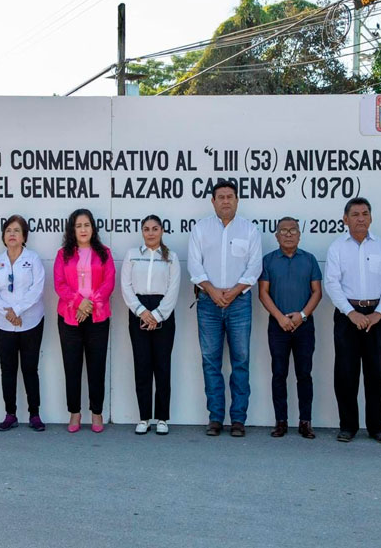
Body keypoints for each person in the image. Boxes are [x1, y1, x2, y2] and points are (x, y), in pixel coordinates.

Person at [188, 181, 262, 437]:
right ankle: (216, 417)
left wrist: (232, 291)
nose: (226, 201)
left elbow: (254, 268)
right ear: (213, 201)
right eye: (221, 197)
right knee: (211, 362)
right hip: (208, 303)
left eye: (230, 197)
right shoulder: (201, 229)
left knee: (240, 361)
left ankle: (239, 419)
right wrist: (211, 289)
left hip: (239, 302)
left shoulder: (249, 230)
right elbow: (195, 266)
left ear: (237, 200)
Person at [324, 197, 381, 444]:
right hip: (348, 316)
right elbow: (332, 284)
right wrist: (351, 313)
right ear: (345, 219)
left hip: (377, 317)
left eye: (365, 213)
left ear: (371, 218)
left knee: (375, 374)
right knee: (346, 374)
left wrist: (378, 314)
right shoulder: (337, 248)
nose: (360, 218)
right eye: (355, 214)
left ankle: (377, 427)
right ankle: (348, 426)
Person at [258, 217, 322, 439]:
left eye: (292, 230)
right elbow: (263, 293)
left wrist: (302, 316)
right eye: (283, 231)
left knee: (304, 374)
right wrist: (280, 318)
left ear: (299, 234)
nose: (288, 234)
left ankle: (306, 422)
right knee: (279, 374)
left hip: (304, 326)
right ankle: (281, 422)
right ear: (276, 236)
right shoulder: (268, 260)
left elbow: (317, 292)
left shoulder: (310, 259)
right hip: (278, 326)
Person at [54, 208, 115, 433]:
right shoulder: (63, 254)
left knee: (96, 366)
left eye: (86, 225)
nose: (83, 229)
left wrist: (90, 304)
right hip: (70, 317)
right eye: (78, 226)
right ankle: (75, 413)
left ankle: (96, 413)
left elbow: (109, 282)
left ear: (93, 228)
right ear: (72, 229)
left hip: (98, 317)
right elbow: (59, 284)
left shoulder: (104, 253)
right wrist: (79, 301)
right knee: (72, 366)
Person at [121, 215, 181, 435]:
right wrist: (142, 312)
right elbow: (126, 287)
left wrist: (157, 315)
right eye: (146, 229)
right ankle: (144, 417)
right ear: (142, 232)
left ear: (162, 231)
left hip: (163, 312)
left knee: (162, 366)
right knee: (142, 365)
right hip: (138, 310)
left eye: (155, 229)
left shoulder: (172, 257)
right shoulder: (132, 255)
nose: (151, 233)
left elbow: (173, 290)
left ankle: (162, 418)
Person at [0, 215, 46, 433]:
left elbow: (37, 290)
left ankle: (34, 414)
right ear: (3, 235)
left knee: (30, 368)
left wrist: (18, 311)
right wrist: (9, 314)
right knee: (8, 369)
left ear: (24, 237)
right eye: (8, 230)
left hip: (31, 321)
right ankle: (10, 413)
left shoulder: (33, 259)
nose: (12, 234)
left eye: (17, 231)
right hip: (3, 323)